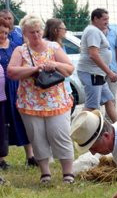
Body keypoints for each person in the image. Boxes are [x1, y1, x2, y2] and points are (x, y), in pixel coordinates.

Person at [6, 14, 75, 184]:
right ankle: (45, 173)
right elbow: (11, 72)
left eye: (38, 31)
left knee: (60, 134)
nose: (35, 35)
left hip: (56, 102)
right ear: (24, 33)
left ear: (42, 30)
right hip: (30, 104)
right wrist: (34, 69)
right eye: (31, 32)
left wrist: (55, 64)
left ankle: (68, 173)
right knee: (37, 137)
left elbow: (69, 68)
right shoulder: (20, 50)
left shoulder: (54, 47)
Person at [0, 21, 34, 167]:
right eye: (0, 32)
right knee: (2, 124)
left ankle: (30, 156)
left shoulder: (15, 47)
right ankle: (1, 159)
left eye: (5, 33)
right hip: (1, 91)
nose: (2, 35)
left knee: (22, 120)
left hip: (15, 88)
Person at [78, 8, 117, 122]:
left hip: (97, 74)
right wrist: (109, 72)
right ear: (95, 19)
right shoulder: (93, 31)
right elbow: (93, 55)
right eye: (104, 19)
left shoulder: (96, 31)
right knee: (91, 106)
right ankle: (76, 130)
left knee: (109, 99)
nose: (107, 22)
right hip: (92, 73)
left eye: (108, 19)